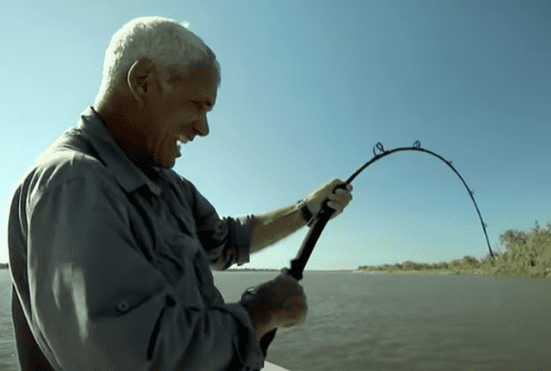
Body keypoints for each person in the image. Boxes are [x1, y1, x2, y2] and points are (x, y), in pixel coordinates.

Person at [8, 16, 353, 371]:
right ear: (143, 81)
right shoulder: (71, 183)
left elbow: (227, 241)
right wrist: (261, 311)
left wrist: (308, 209)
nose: (203, 128)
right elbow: (132, 357)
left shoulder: (169, 185)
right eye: (198, 105)